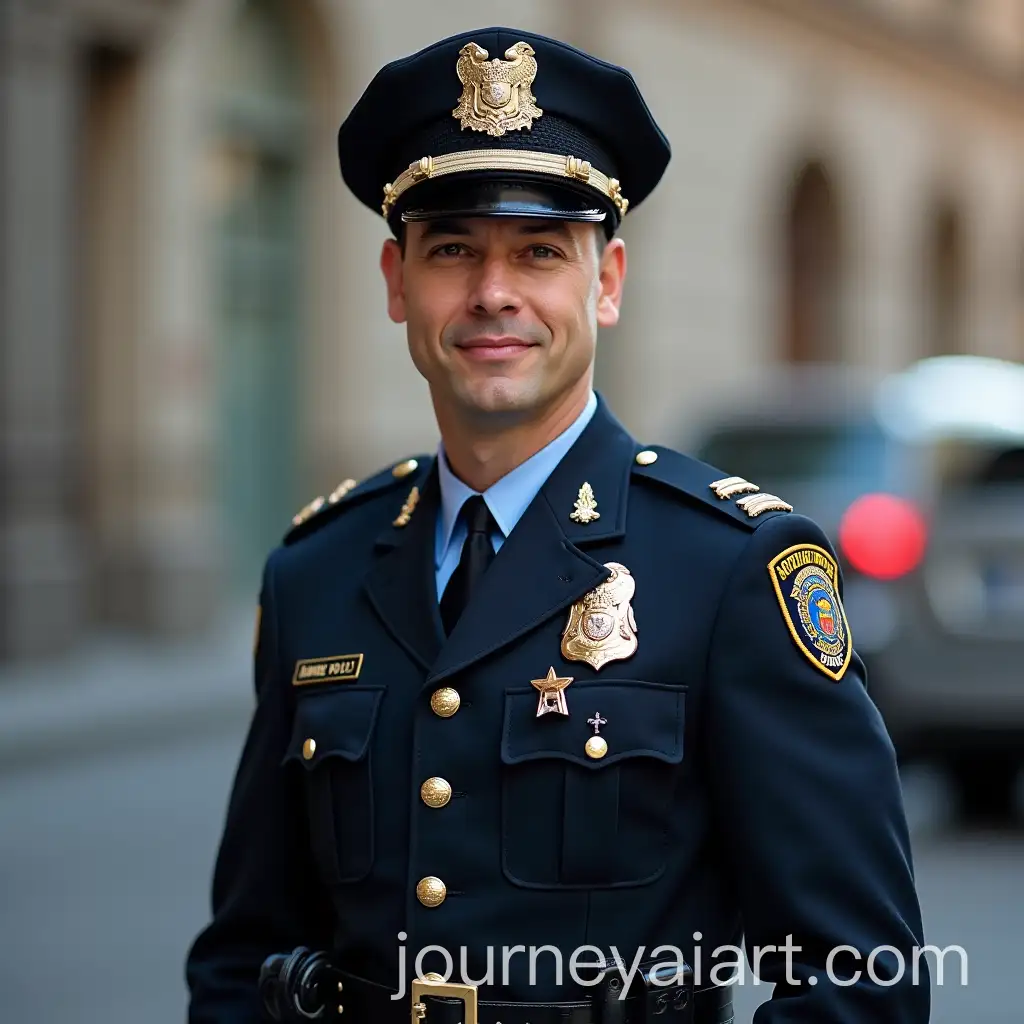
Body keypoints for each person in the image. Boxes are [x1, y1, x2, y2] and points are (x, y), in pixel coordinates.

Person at [185, 25, 929, 1024]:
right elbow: (247, 956)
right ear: (397, 282)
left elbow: (861, 983)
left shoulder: (730, 570)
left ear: (606, 281)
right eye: (451, 249)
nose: (493, 293)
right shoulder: (314, 572)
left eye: (539, 251)